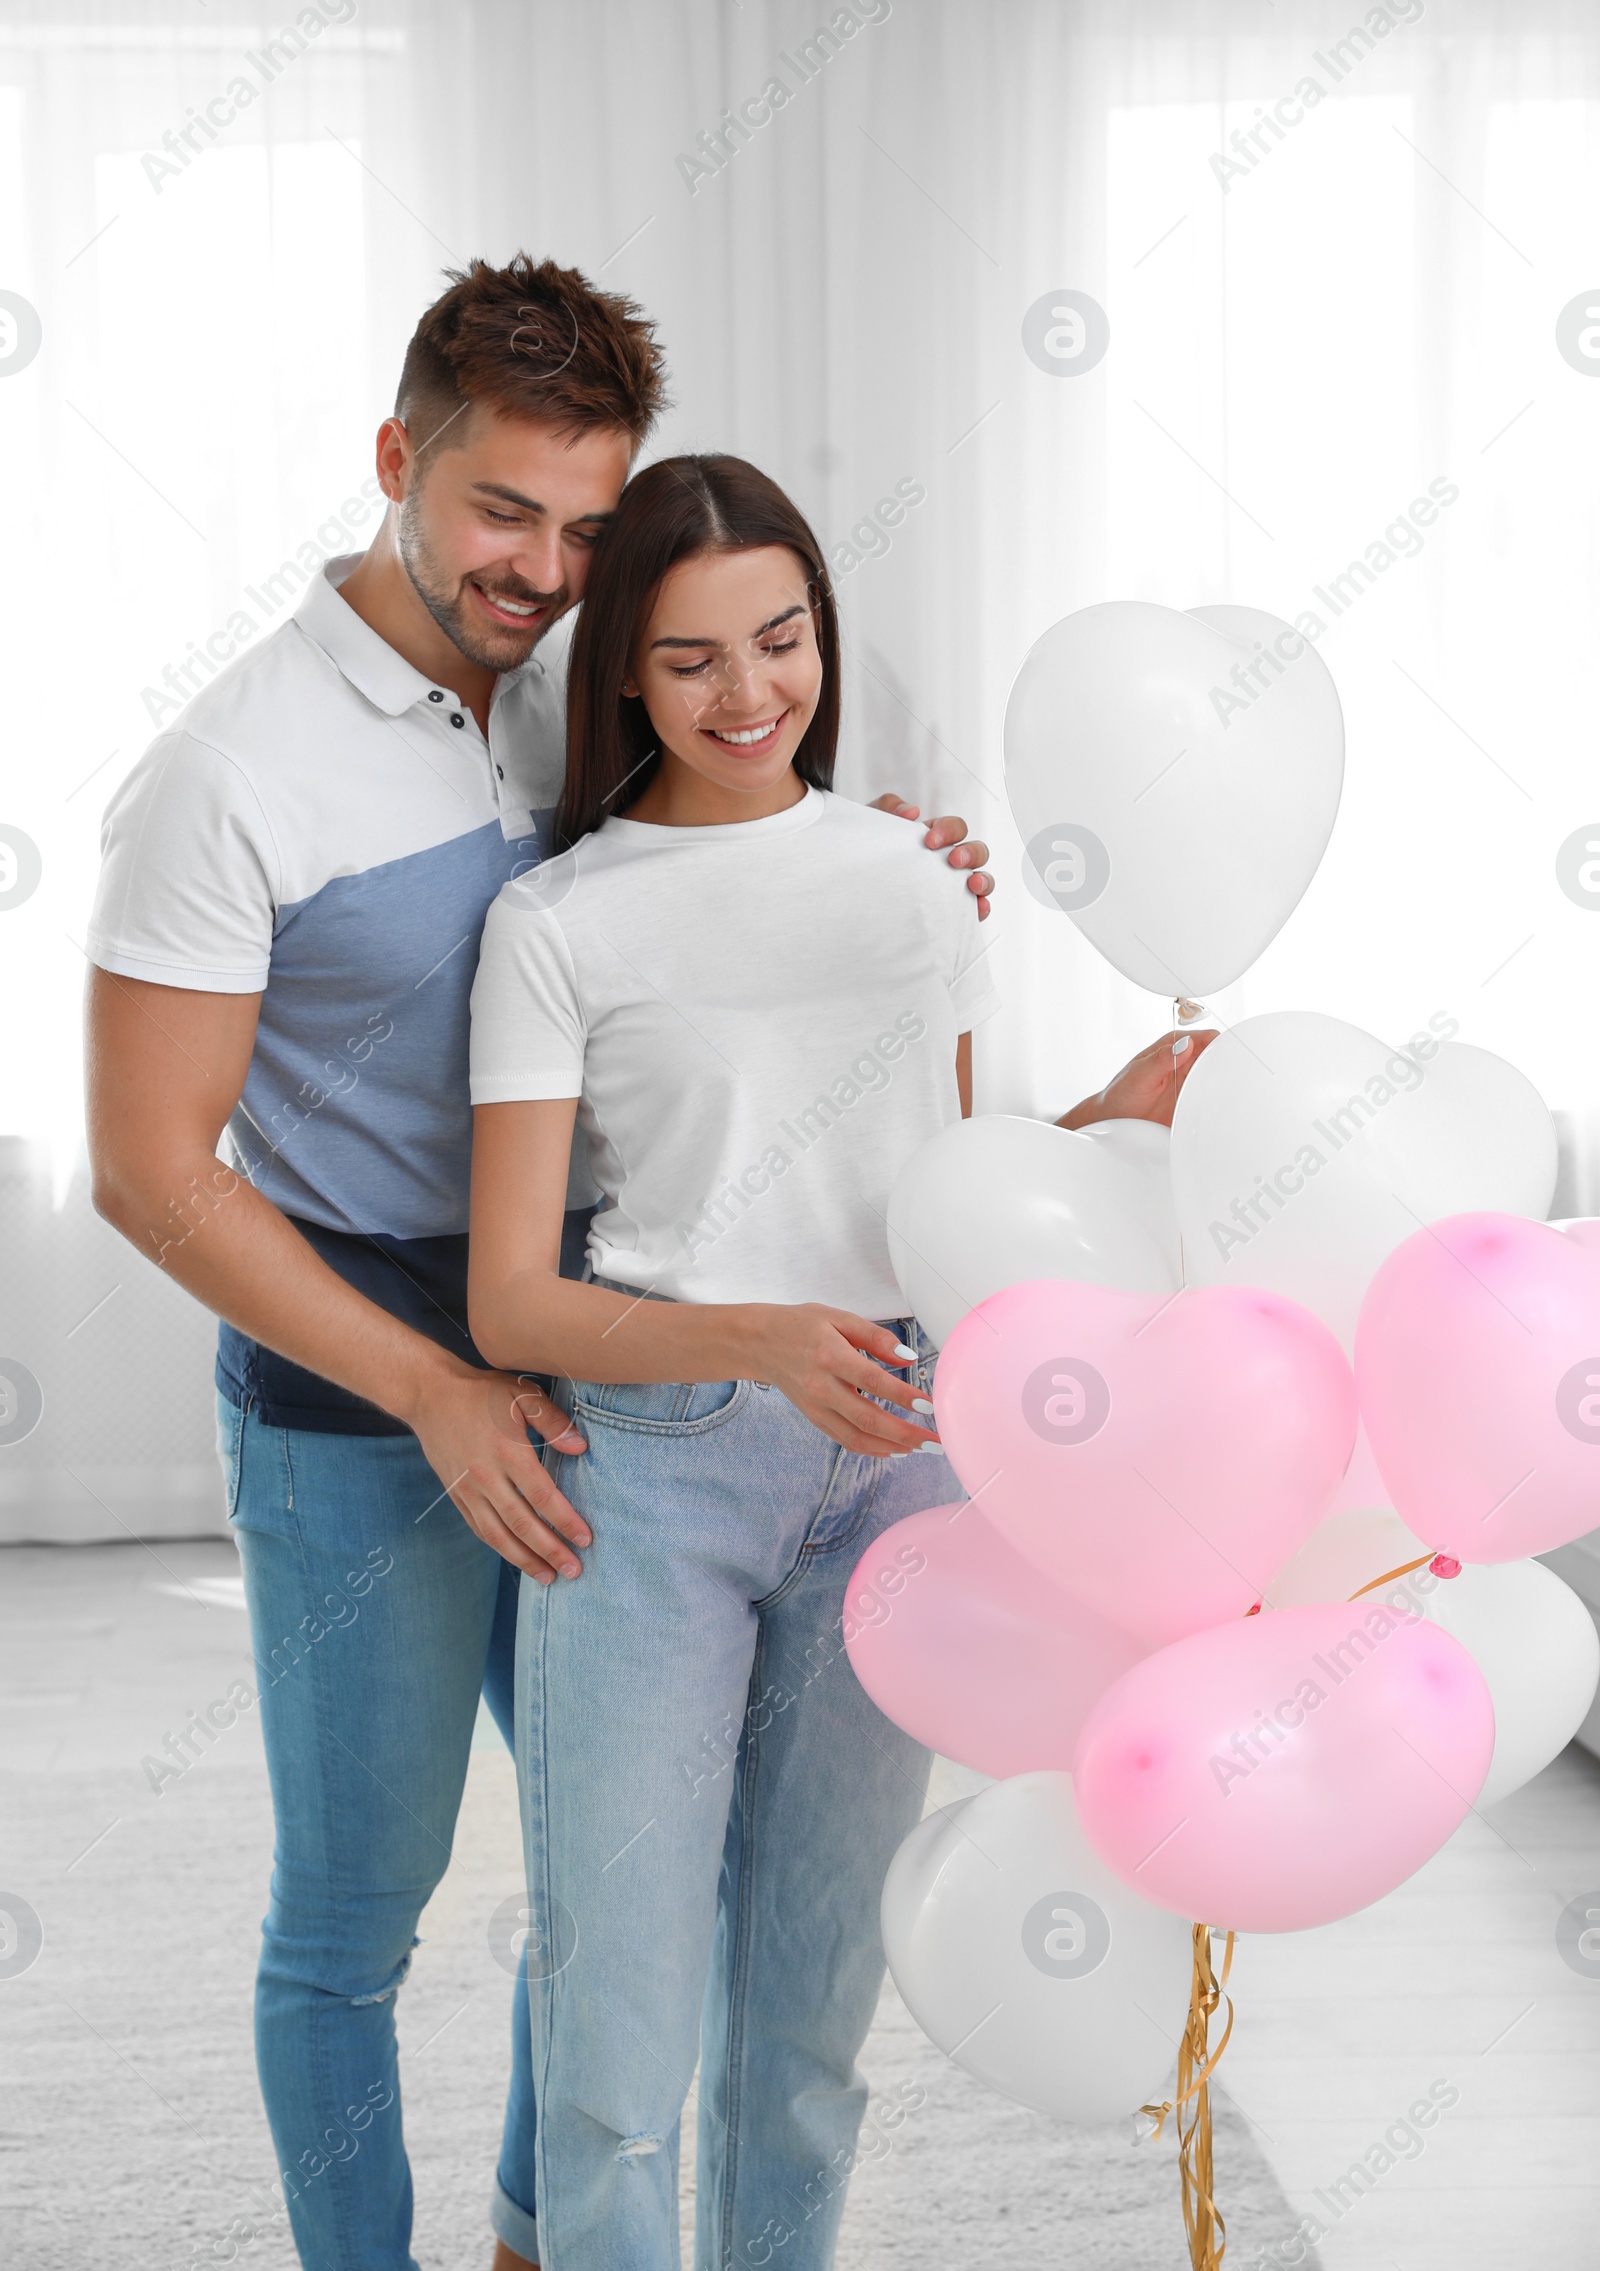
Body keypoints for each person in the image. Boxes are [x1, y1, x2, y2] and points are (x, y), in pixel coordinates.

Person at [82, 257, 995, 2271]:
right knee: (358, 1906)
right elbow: (148, 1171)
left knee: (610, 1875)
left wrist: (866, 874)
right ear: (397, 461)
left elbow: (695, 929)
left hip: (614, 1379)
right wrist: (431, 1381)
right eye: (504, 511)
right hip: (370, 1399)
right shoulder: (237, 772)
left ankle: (529, 2234)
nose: (544, 565)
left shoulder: (564, 700)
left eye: (588, 525)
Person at [466, 452, 1210, 2270]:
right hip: (651, 1480)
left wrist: (1103, 1119)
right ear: (623, 677)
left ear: (824, 635)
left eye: (781, 641)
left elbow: (947, 1184)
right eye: (692, 658)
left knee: (808, 2038)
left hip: (906, 1473)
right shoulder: (557, 924)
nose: (749, 697)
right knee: (616, 2052)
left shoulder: (916, 884)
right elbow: (507, 1304)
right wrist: (759, 1340)